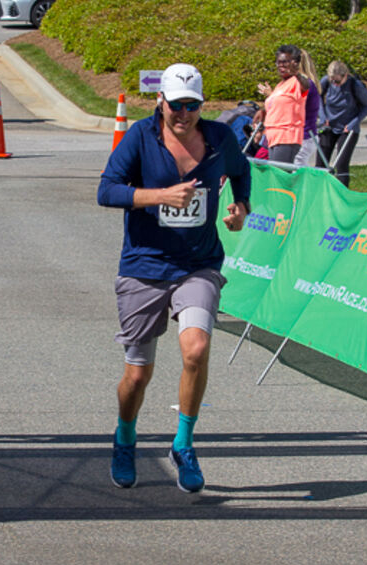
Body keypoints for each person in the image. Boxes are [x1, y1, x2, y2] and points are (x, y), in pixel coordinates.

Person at [97, 63, 252, 494]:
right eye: (176, 105)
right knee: (137, 376)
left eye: (192, 106)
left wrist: (241, 206)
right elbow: (107, 190)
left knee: (196, 349)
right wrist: (158, 196)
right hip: (145, 266)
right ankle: (125, 438)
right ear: (160, 101)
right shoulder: (140, 137)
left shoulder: (219, 138)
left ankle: (183, 444)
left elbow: (241, 171)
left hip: (198, 264)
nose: (184, 114)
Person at [315, 60, 367, 187]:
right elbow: (317, 96)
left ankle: (342, 193)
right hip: (329, 126)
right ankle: (319, 191)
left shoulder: (355, 86)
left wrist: (354, 123)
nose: (335, 84)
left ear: (345, 75)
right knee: (320, 163)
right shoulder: (326, 81)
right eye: (332, 81)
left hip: (348, 129)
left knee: (341, 164)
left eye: (337, 81)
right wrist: (323, 116)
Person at [256, 44, 309, 164]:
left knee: (279, 173)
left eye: (285, 62)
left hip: (287, 137)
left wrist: (296, 73)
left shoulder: (296, 82)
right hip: (273, 137)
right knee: (275, 172)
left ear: (294, 63)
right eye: (278, 62)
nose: (281, 65)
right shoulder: (281, 85)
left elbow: (306, 86)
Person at [293, 49, 322, 168]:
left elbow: (293, 106)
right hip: (307, 135)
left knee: (297, 169)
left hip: (304, 136)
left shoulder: (304, 85)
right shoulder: (309, 83)